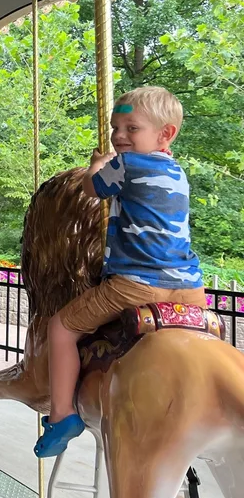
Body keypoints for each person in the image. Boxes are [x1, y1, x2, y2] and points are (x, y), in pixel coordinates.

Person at [34, 86, 204, 458]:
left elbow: (91, 189)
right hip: (191, 289)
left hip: (137, 285)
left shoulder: (126, 165)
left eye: (132, 128)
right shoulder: (177, 170)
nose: (119, 136)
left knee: (61, 328)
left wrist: (98, 165)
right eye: (115, 127)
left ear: (166, 134)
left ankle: (62, 415)